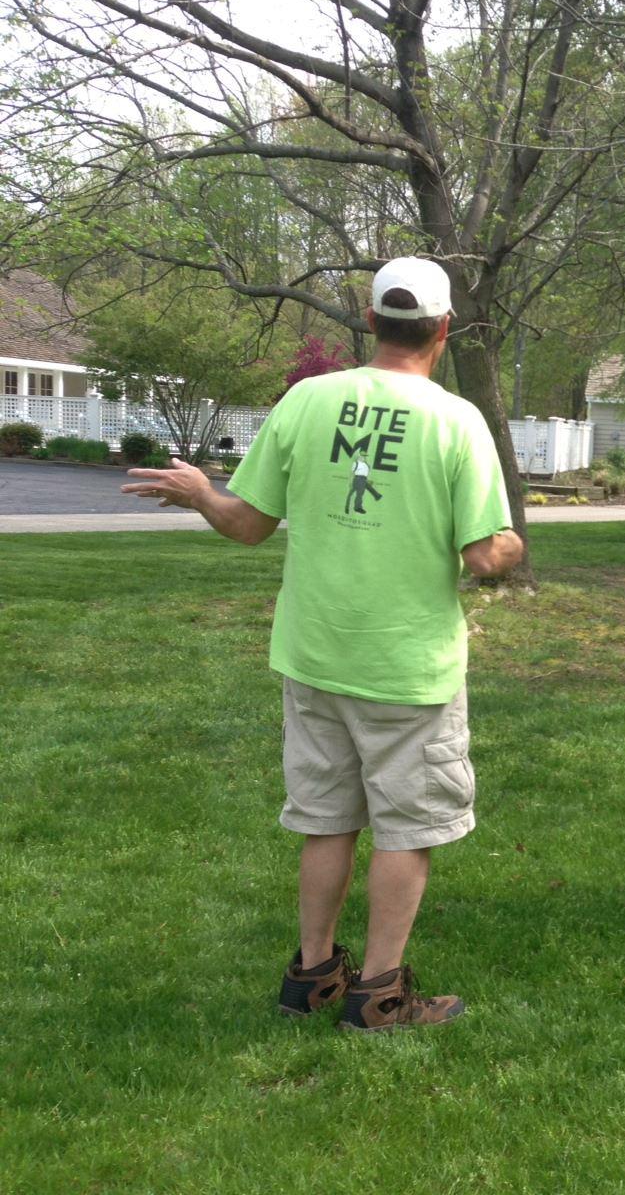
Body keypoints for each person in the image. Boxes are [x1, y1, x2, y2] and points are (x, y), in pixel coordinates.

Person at [123, 256, 524, 1031]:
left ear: (369, 323)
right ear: (443, 331)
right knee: (406, 827)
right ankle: (379, 996)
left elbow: (247, 525)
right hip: (407, 669)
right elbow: (483, 557)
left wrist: (203, 491)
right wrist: (509, 548)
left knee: (326, 817)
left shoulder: (307, 401)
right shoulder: (455, 419)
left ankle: (312, 975)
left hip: (313, 655)